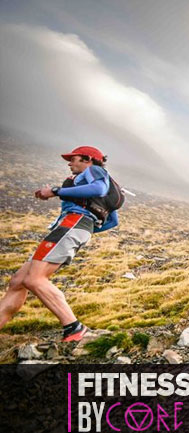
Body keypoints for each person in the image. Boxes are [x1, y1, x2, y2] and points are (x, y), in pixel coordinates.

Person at [0, 146, 119, 342]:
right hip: (75, 227)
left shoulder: (95, 171)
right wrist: (86, 229)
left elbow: (99, 188)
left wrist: (55, 191)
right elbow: (113, 221)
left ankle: (74, 327)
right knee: (18, 281)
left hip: (72, 224)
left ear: (88, 159)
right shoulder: (107, 190)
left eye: (74, 159)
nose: (69, 162)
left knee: (35, 279)